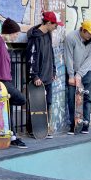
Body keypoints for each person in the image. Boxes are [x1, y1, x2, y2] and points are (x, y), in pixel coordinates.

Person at [0, 17, 27, 148]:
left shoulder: (3, 43)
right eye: (16, 34)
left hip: (5, 80)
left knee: (6, 108)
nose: (16, 37)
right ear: (9, 32)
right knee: (21, 99)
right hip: (0, 82)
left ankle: (12, 136)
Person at [26, 11, 62, 139]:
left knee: (48, 102)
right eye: (55, 25)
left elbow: (50, 53)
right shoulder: (35, 37)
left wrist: (53, 70)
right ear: (48, 23)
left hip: (47, 76)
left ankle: (44, 128)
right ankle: (32, 129)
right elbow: (31, 57)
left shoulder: (48, 34)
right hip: (38, 78)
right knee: (36, 104)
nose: (56, 27)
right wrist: (34, 76)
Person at [64, 20, 91, 135]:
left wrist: (79, 75)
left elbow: (89, 60)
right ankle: (74, 124)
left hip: (86, 72)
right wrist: (71, 75)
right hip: (72, 71)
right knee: (71, 98)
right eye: (90, 33)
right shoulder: (71, 37)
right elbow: (68, 57)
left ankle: (85, 123)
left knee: (87, 98)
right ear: (83, 30)